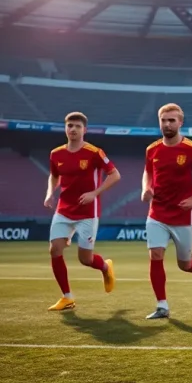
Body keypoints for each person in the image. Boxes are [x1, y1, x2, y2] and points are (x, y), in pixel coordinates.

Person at [142, 103, 192, 320]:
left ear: (180, 123)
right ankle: (162, 306)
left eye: (172, 120)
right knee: (155, 255)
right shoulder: (152, 149)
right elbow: (147, 172)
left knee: (185, 264)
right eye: (164, 120)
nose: (167, 124)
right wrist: (146, 188)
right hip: (157, 212)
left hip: (183, 215)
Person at [44, 112, 121, 311]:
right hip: (63, 209)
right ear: (65, 128)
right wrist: (50, 193)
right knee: (54, 249)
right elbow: (53, 176)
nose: (73, 129)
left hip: (88, 212)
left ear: (84, 130)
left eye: (77, 126)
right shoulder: (56, 154)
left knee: (85, 259)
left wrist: (94, 193)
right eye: (69, 125)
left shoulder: (95, 153)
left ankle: (105, 267)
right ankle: (67, 297)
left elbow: (115, 175)